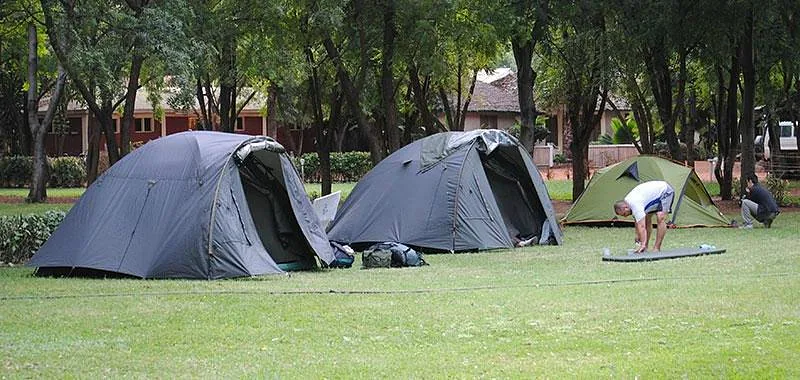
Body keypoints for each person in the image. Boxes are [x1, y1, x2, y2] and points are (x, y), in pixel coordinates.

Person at [613, 180, 675, 253]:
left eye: (624, 214)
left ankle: (656, 248)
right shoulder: (628, 202)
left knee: (660, 217)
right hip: (653, 197)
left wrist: (642, 244)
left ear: (625, 208)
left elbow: (642, 226)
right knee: (646, 219)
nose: (625, 216)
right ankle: (645, 247)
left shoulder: (635, 204)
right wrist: (637, 235)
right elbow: (638, 220)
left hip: (665, 191)